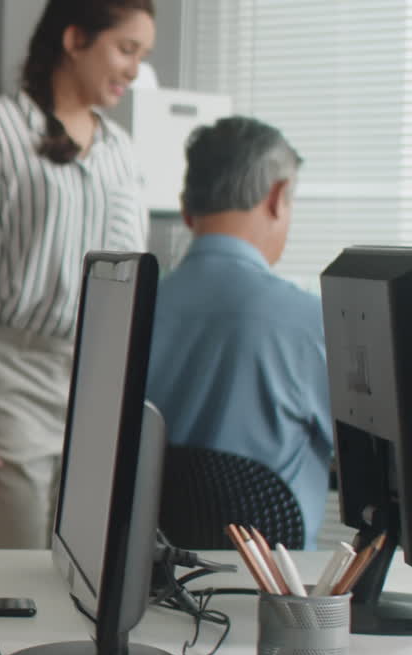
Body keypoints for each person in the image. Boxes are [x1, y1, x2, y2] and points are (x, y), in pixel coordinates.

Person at [0, 0, 155, 548]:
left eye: (141, 56)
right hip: (7, 384)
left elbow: (127, 288)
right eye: (125, 49)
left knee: (79, 582)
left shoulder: (120, 153)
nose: (133, 70)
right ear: (75, 40)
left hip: (91, 389)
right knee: (17, 583)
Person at [146, 116, 331, 549]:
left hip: (157, 582)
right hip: (272, 588)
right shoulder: (311, 322)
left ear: (188, 207)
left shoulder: (135, 308)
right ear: (277, 196)